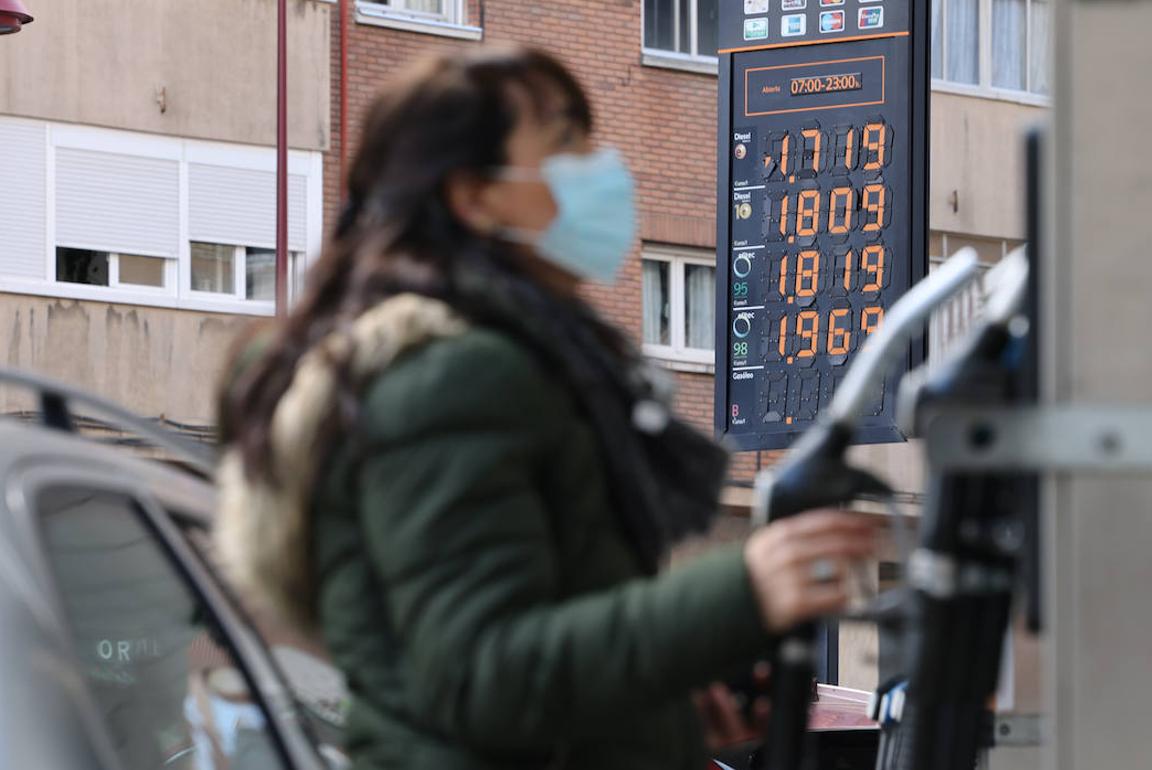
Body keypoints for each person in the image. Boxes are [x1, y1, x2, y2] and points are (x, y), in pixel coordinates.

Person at [215, 46, 877, 770]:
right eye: (566, 143)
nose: (605, 167)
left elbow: (515, 678)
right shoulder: (450, 380)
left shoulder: (511, 363)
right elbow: (480, 674)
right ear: (474, 197)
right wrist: (742, 589)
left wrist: (653, 719)